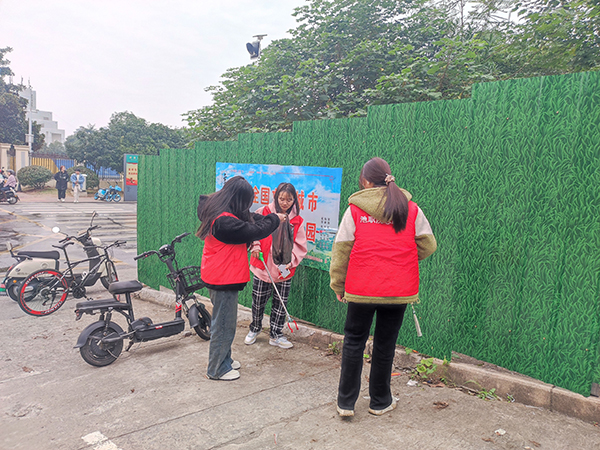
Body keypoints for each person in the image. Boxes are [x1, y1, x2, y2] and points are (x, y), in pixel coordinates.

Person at [329, 157, 437, 417]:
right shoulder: (410, 208)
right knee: (385, 345)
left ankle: (346, 403)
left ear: (365, 181)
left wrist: (338, 283)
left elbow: (341, 250)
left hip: (361, 288)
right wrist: (403, 258)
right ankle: (380, 402)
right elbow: (428, 245)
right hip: (397, 290)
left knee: (354, 343)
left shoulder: (355, 210)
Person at [196, 176, 286, 381]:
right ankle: (217, 369)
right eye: (246, 202)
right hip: (223, 278)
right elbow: (253, 230)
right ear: (238, 199)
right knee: (224, 325)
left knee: (226, 322)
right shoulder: (224, 222)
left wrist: (268, 216)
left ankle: (224, 359)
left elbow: (250, 218)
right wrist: (273, 219)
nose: (247, 207)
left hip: (219, 274)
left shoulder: (217, 210)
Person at [245, 182, 307, 349]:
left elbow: (301, 246)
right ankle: (255, 328)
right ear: (276, 197)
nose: (285, 203)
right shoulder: (263, 212)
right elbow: (253, 230)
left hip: (284, 271)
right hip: (262, 266)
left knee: (280, 304)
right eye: (281, 198)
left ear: (294, 200)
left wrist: (291, 261)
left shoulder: (297, 221)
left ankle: (276, 334)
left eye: (289, 199)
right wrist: (255, 246)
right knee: (258, 301)